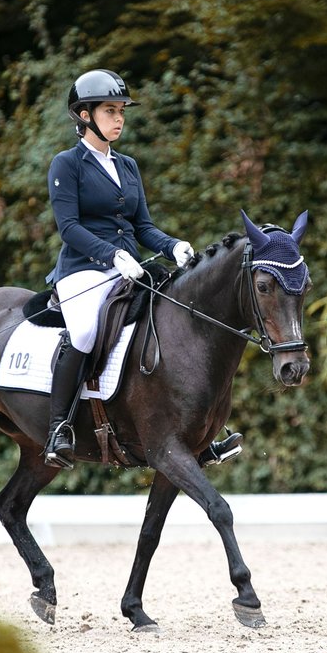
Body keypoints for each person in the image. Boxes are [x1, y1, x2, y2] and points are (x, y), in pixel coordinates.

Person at [43, 69, 242, 470]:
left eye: (121, 111)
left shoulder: (128, 166)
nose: (119, 119)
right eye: (110, 111)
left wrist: (174, 246)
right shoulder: (67, 164)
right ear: (84, 115)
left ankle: (198, 434)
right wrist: (111, 255)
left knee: (171, 316)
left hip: (129, 269)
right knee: (83, 330)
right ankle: (58, 427)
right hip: (83, 271)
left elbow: (142, 227)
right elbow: (69, 228)